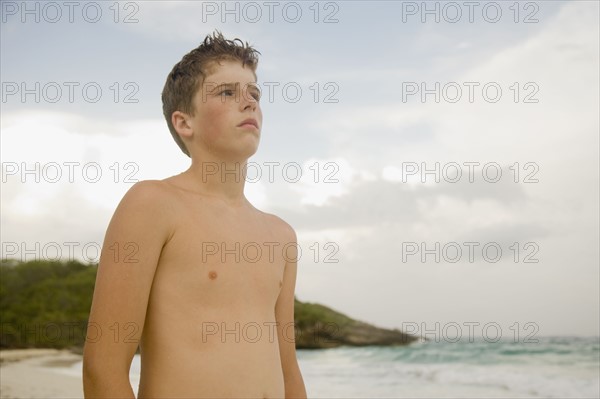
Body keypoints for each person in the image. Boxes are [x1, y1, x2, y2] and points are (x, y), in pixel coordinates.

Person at [82, 31, 307, 399]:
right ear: (184, 122)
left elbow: (288, 369)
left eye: (254, 92)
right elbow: (101, 369)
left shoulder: (281, 236)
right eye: (227, 92)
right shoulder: (152, 204)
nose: (249, 102)